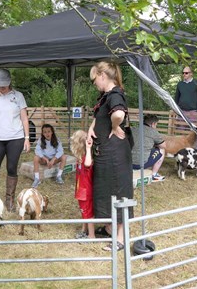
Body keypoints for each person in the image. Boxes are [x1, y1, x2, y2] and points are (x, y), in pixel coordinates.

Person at [87, 61, 133, 252]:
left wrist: (115, 126)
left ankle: (121, 239)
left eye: (94, 79)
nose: (94, 83)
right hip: (106, 153)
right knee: (106, 191)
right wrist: (91, 129)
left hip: (115, 155)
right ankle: (109, 227)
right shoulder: (105, 96)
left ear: (103, 75)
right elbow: (99, 117)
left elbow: (119, 114)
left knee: (118, 192)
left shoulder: (115, 94)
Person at [0, 69, 30, 212]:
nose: (2, 87)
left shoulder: (18, 96)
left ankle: (9, 200)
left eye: (4, 84)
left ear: (9, 82)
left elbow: (24, 118)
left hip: (15, 138)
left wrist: (27, 138)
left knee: (11, 168)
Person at [70, 130, 95, 239]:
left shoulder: (87, 158)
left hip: (86, 191)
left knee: (88, 213)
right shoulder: (81, 158)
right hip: (81, 190)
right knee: (84, 211)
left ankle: (91, 235)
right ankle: (84, 230)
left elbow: (88, 164)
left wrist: (88, 148)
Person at [131, 114, 166, 182]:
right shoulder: (153, 132)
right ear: (153, 124)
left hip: (128, 163)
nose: (156, 127)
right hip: (140, 164)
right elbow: (163, 145)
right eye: (156, 125)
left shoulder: (133, 129)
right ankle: (154, 175)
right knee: (162, 150)